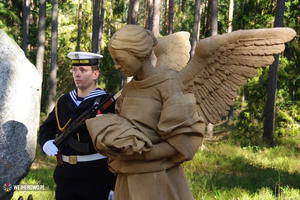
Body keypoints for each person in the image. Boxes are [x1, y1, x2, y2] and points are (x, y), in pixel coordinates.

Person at [86, 25, 205, 200]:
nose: (117, 66)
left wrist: (142, 153)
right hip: (126, 179)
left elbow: (182, 142)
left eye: (120, 59)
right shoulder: (128, 90)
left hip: (159, 181)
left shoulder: (168, 86)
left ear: (137, 53)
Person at [39, 51, 116, 200]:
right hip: (66, 176)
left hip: (97, 177)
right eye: (75, 70)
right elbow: (46, 128)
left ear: (95, 74)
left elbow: (118, 145)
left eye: (83, 70)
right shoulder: (64, 101)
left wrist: (114, 185)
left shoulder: (107, 102)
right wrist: (45, 142)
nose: (77, 74)